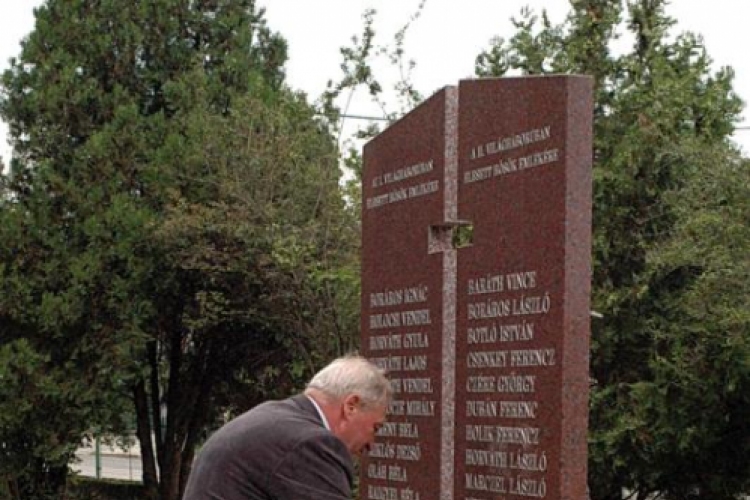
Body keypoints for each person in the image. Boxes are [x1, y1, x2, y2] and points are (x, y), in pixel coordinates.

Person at [183, 354, 391, 500]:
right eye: (376, 427)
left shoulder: (275, 418)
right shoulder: (311, 445)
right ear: (351, 406)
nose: (371, 445)